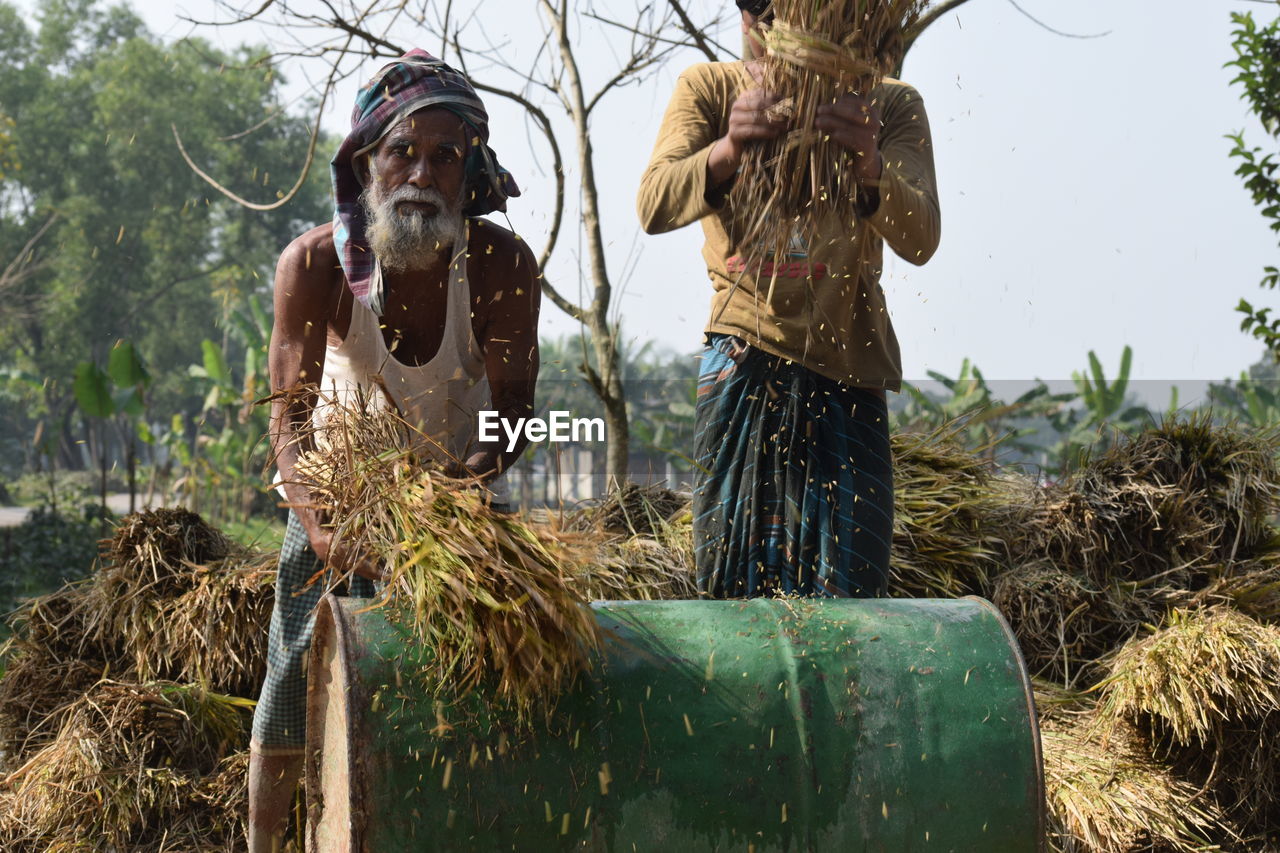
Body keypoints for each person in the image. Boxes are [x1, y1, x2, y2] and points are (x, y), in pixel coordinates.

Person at [247, 49, 541, 851]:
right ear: (367, 163)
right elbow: (291, 420)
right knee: (291, 693)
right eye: (401, 152)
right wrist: (321, 527)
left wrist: (459, 493)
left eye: (444, 157)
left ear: (469, 170)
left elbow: (515, 412)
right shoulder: (314, 267)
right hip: (340, 508)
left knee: (476, 692)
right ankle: (268, 841)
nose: (420, 173)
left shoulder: (502, 266)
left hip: (460, 517)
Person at [636, 1, 940, 600]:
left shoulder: (889, 104)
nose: (769, 27)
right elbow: (653, 204)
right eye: (758, 10)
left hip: (849, 373)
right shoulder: (710, 87)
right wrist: (730, 145)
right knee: (734, 590)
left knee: (852, 593)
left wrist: (869, 161)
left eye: (782, 10)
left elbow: (922, 237)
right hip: (742, 359)